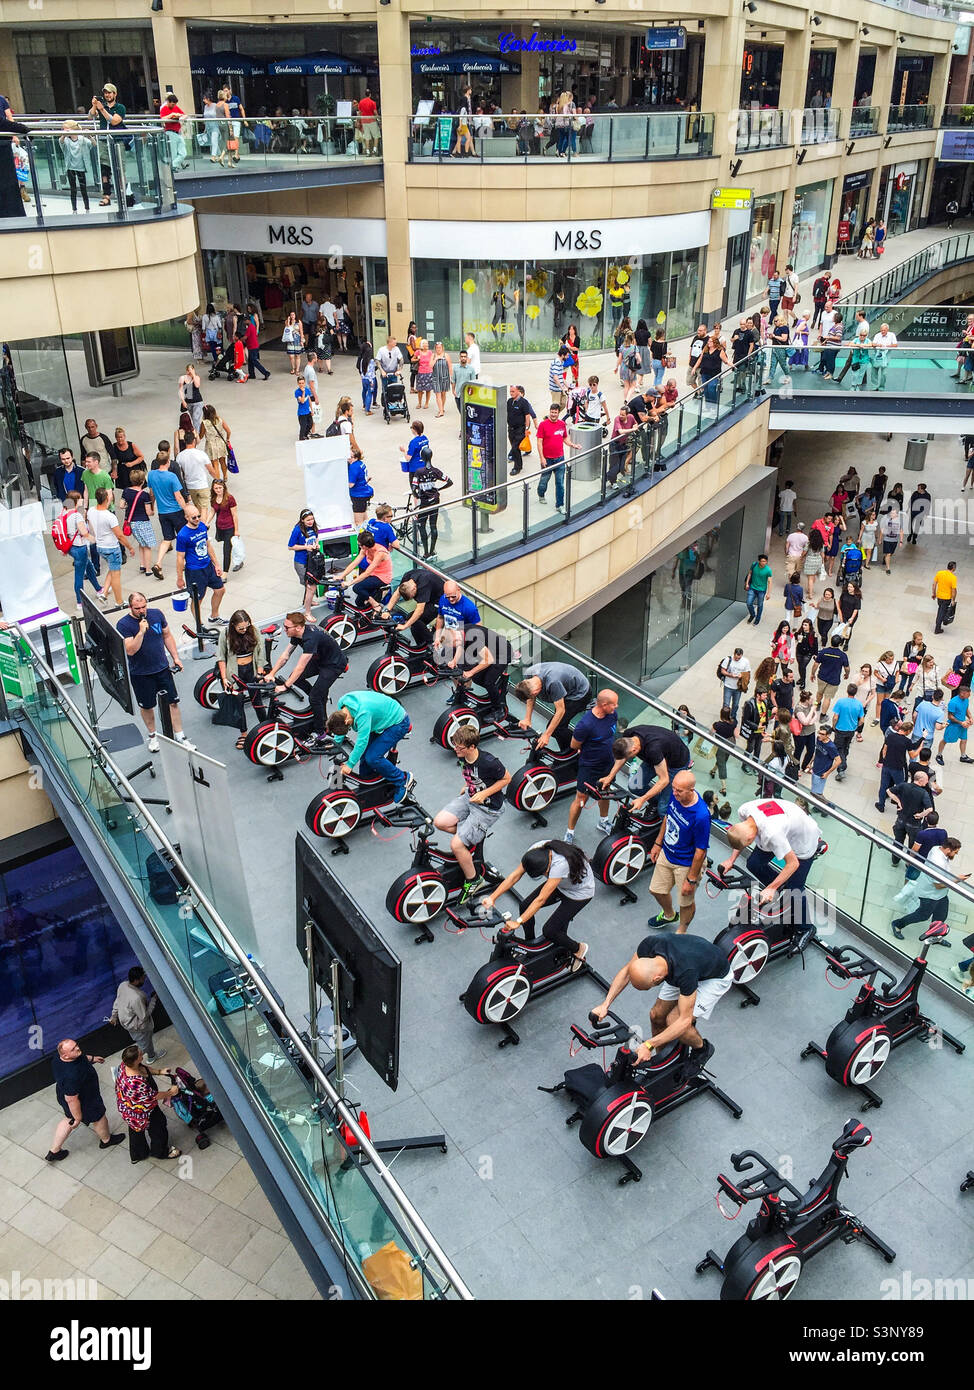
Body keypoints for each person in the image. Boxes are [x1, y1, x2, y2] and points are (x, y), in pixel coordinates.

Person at [592, 933, 732, 1066]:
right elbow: (627, 972)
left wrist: (649, 1044)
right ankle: (663, 1059)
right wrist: (605, 1004)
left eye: (650, 987)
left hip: (714, 978)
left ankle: (702, 1049)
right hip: (684, 965)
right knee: (656, 1015)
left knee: (674, 1021)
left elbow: (685, 1020)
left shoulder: (685, 972)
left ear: (657, 978)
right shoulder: (650, 944)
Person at [483, 840, 594, 971]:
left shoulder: (560, 865)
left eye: (544, 873)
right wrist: (492, 897)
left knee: (550, 931)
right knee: (525, 906)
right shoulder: (535, 850)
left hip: (579, 893)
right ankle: (530, 945)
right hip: (561, 884)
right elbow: (514, 876)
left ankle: (578, 948)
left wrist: (518, 921)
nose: (544, 875)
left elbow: (541, 899)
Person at [721, 796, 821, 940]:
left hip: (803, 840)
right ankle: (782, 888)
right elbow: (740, 838)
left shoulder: (772, 833)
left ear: (750, 839)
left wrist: (772, 888)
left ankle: (806, 928)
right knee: (754, 863)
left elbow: (793, 864)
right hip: (782, 826)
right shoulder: (744, 811)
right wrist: (731, 860)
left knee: (794, 889)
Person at [433, 725, 511, 901]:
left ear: (472, 747)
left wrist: (483, 793)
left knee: (456, 845)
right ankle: (473, 835)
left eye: (459, 747)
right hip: (471, 796)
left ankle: (474, 879)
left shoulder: (489, 761)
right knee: (439, 822)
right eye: (455, 745)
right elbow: (472, 775)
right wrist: (469, 786)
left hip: (488, 808)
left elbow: (507, 778)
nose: (455, 749)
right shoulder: (463, 756)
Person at [118, 593, 195, 753]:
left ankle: (180, 735)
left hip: (162, 668)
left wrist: (176, 657)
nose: (141, 610)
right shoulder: (123, 625)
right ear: (130, 607)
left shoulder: (157, 614)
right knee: (147, 706)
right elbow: (131, 650)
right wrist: (141, 632)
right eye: (137, 608)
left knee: (173, 702)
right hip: (141, 673)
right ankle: (153, 736)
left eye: (143, 606)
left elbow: (167, 635)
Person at [264, 611, 347, 746]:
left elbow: (301, 666)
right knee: (297, 680)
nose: (284, 630)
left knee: (314, 697)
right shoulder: (297, 634)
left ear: (297, 627)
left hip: (334, 664)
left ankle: (321, 733)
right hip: (321, 659)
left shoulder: (310, 638)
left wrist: (285, 686)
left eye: (286, 627)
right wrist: (272, 673)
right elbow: (286, 655)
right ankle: (320, 701)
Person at [646, 770, 711, 932]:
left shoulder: (701, 815)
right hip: (667, 854)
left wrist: (691, 879)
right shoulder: (675, 798)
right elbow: (668, 819)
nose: (674, 793)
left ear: (691, 790)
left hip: (686, 863)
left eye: (679, 791)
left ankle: (682, 930)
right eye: (673, 788)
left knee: (686, 902)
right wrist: (657, 843)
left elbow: (700, 851)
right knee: (656, 890)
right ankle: (669, 915)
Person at [45, 1040, 125, 1163]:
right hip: (85, 1100)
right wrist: (78, 1118)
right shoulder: (71, 1076)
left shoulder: (58, 1057)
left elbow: (80, 1057)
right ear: (65, 1055)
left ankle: (54, 1151)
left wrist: (92, 1058)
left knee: (68, 1119)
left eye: (76, 1045)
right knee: (99, 1117)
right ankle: (106, 1140)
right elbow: (72, 1099)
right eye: (73, 1049)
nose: (77, 1048)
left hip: (65, 1095)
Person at [326, 691, 414, 803]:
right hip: (379, 719)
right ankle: (368, 786)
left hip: (397, 722)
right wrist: (336, 743)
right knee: (364, 756)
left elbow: (361, 742)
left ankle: (402, 779)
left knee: (372, 757)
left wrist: (349, 765)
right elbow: (341, 725)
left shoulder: (363, 714)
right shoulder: (342, 705)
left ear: (347, 720)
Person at [565, 688, 619, 843]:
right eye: (613, 704)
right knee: (581, 798)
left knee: (605, 791)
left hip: (608, 763)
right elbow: (574, 744)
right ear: (603, 704)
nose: (616, 707)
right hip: (589, 766)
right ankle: (570, 831)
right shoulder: (585, 724)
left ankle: (603, 821)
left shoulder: (612, 715)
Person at [602, 723, 691, 815]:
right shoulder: (628, 735)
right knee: (634, 786)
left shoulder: (653, 749)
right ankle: (659, 801)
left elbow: (664, 780)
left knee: (663, 809)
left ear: (634, 750)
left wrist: (643, 799)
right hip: (655, 758)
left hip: (676, 763)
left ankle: (667, 810)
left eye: (628, 756)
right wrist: (610, 776)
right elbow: (622, 757)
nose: (626, 759)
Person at [891, 838, 968, 941]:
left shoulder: (936, 848)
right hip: (930, 894)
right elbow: (938, 885)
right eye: (955, 852)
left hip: (940, 894)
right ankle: (897, 924)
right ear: (949, 849)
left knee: (941, 915)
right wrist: (957, 880)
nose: (956, 855)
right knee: (922, 915)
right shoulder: (938, 864)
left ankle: (935, 936)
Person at [115, 1045, 182, 1163]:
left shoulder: (125, 1065)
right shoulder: (135, 1082)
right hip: (143, 1111)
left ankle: (138, 1154)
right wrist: (171, 1092)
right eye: (141, 1055)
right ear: (135, 1060)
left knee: (135, 1129)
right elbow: (153, 1096)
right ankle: (160, 1152)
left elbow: (143, 1068)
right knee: (159, 1127)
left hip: (128, 1108)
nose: (143, 1055)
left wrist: (160, 1072)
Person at [217, 610, 269, 745]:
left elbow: (260, 652)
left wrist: (260, 672)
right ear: (233, 625)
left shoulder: (253, 630)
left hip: (251, 670)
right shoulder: (226, 634)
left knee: (257, 701)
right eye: (241, 628)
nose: (244, 630)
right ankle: (244, 734)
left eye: (247, 626)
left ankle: (266, 728)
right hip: (235, 672)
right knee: (238, 704)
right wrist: (224, 678)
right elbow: (221, 658)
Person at [514, 661, 591, 752]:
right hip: (565, 690)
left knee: (557, 729)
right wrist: (527, 718)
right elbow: (530, 698)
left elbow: (561, 710)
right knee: (558, 726)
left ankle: (582, 745)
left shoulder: (553, 683)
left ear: (534, 693)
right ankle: (568, 750)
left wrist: (546, 735)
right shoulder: (529, 675)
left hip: (579, 694)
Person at [175, 504, 226, 624]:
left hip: (208, 566)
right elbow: (180, 558)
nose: (197, 519)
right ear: (186, 517)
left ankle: (214, 616)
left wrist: (217, 564)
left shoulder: (202, 526)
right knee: (198, 599)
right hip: (195, 571)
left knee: (220, 590)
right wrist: (180, 578)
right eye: (194, 517)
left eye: (198, 516)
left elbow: (208, 545)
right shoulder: (183, 535)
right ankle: (199, 624)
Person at [89, 488, 135, 605]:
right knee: (116, 575)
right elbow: (119, 535)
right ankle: (119, 601)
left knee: (112, 568)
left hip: (100, 546)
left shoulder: (91, 511)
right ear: (107, 499)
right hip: (111, 547)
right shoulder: (110, 516)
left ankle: (104, 594)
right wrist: (129, 547)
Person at [146, 448, 186, 580]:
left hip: (162, 512)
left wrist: (152, 506)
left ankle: (158, 563)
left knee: (167, 538)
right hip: (176, 510)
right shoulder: (171, 476)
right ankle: (184, 562)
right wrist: (186, 510)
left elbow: (151, 493)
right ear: (168, 461)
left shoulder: (151, 475)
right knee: (182, 536)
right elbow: (179, 497)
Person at [61, 492, 102, 615]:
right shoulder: (76, 515)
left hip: (71, 548)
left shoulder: (64, 513)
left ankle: (98, 589)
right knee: (79, 575)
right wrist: (95, 540)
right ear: (75, 501)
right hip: (80, 547)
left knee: (88, 566)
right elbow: (84, 532)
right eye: (80, 499)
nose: (82, 500)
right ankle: (80, 601)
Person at [110, 964, 163, 1058]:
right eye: (143, 978)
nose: (144, 979)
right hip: (138, 1027)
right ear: (136, 980)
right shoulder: (136, 997)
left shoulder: (123, 985)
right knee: (143, 1047)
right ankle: (126, 1065)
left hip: (127, 1023)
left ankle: (151, 1056)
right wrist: (154, 1000)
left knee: (146, 1043)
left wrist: (113, 1016)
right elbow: (144, 1016)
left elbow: (117, 1001)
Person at [409, 452, 452, 560]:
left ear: (422, 457)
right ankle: (432, 551)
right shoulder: (435, 471)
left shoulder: (419, 472)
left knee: (422, 525)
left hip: (424, 502)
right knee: (433, 525)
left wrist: (417, 495)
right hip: (435, 500)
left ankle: (426, 552)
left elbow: (414, 487)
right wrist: (438, 490)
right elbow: (449, 481)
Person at [535, 401, 577, 511]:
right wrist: (542, 458)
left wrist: (572, 444)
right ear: (549, 412)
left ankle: (560, 505)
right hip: (547, 459)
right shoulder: (543, 425)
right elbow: (539, 442)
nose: (553, 414)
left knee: (560, 483)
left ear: (559, 413)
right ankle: (541, 494)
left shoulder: (562, 424)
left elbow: (564, 438)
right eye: (552, 412)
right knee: (544, 481)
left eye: (555, 412)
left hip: (560, 459)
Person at [888, 769, 936, 864]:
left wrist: (898, 801)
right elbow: (930, 809)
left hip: (901, 819)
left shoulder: (904, 785)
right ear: (920, 780)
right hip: (914, 824)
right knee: (912, 845)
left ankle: (895, 860)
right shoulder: (923, 793)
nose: (927, 782)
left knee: (898, 840)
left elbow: (889, 791)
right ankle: (908, 863)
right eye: (926, 780)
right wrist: (920, 815)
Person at [336, 529, 392, 608]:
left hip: (383, 577)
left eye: (359, 544)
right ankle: (368, 615)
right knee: (358, 602)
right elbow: (355, 563)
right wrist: (341, 576)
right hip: (373, 575)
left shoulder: (380, 553)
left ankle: (375, 604)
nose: (359, 546)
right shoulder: (365, 549)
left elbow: (367, 573)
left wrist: (350, 583)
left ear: (364, 546)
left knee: (357, 587)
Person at [176, 430, 217, 521]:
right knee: (204, 508)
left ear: (184, 441)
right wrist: (217, 479)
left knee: (197, 507)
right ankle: (203, 528)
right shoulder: (201, 454)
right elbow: (210, 470)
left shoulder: (180, 456)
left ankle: (198, 527)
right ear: (194, 441)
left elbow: (180, 473)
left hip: (190, 486)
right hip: (202, 484)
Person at [830, 682, 866, 781]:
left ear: (847, 691)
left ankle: (841, 767)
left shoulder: (841, 702)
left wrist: (834, 726)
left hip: (840, 729)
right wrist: (856, 726)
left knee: (838, 748)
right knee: (846, 746)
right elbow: (862, 720)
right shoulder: (859, 704)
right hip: (851, 730)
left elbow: (835, 717)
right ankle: (843, 760)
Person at [810, 633, 850, 715]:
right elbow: (847, 668)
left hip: (822, 677)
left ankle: (816, 705)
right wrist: (847, 674)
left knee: (819, 692)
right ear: (839, 644)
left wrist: (812, 674)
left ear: (831, 642)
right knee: (827, 698)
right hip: (834, 680)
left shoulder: (823, 652)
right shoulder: (842, 655)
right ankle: (823, 715)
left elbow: (815, 664)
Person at [938, 684, 973, 766]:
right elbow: (950, 716)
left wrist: (970, 717)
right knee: (945, 740)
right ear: (962, 693)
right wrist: (961, 723)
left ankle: (963, 756)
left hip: (963, 725)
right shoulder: (953, 702)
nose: (970, 695)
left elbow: (966, 709)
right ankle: (939, 755)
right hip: (953, 726)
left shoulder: (966, 699)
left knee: (964, 740)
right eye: (968, 693)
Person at [507, 384, 536, 475]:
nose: (511, 393)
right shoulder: (509, 401)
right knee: (514, 447)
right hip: (511, 429)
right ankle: (518, 464)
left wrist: (526, 429)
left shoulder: (524, 402)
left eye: (513, 391)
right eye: (510, 391)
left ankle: (517, 467)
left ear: (518, 392)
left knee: (515, 448)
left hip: (520, 429)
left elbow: (527, 416)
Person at [744, 552, 773, 625]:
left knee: (760, 605)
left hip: (762, 590)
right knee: (748, 603)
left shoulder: (768, 570)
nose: (764, 563)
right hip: (752, 588)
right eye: (762, 561)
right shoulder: (754, 565)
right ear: (759, 561)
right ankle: (753, 615)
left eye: (765, 561)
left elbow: (770, 582)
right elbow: (750, 573)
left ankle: (758, 618)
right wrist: (747, 583)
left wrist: (768, 593)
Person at [933, 560, 957, 635]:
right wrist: (953, 600)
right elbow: (953, 590)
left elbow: (934, 584)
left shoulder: (939, 573)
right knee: (941, 612)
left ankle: (941, 621)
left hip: (939, 596)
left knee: (940, 609)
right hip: (946, 598)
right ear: (953, 568)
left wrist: (934, 593)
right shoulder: (953, 578)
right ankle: (938, 628)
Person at [451, 347, 477, 417]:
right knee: (461, 413)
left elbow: (474, 383)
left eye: (465, 357)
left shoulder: (471, 369)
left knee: (468, 414)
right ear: (459, 357)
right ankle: (463, 427)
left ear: (467, 357)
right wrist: (453, 391)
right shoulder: (455, 368)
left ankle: (465, 427)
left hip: (468, 396)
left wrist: (472, 395)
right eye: (462, 356)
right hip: (458, 395)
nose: (463, 358)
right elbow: (453, 380)